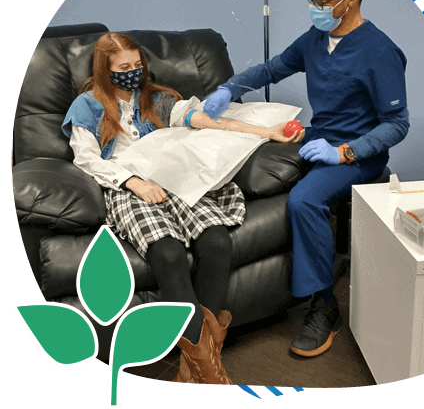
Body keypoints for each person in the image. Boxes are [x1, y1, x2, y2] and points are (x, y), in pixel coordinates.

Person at [61, 32, 304, 385]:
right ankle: (211, 373)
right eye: (123, 68)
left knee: (218, 242)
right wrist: (135, 183)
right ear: (105, 71)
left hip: (173, 178)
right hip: (127, 187)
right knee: (170, 254)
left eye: (137, 65)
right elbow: (85, 159)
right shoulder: (88, 105)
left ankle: (196, 365)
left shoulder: (156, 99)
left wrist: (267, 131)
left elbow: (207, 120)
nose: (133, 73)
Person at [203, 0, 410, 358]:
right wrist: (230, 88)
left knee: (303, 199)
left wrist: (346, 152)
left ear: (350, 0)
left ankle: (325, 308)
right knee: (247, 162)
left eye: (322, 1)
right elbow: (272, 68)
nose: (314, 7)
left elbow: (397, 125)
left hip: (357, 152)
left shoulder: (379, 51)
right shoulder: (316, 39)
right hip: (319, 135)